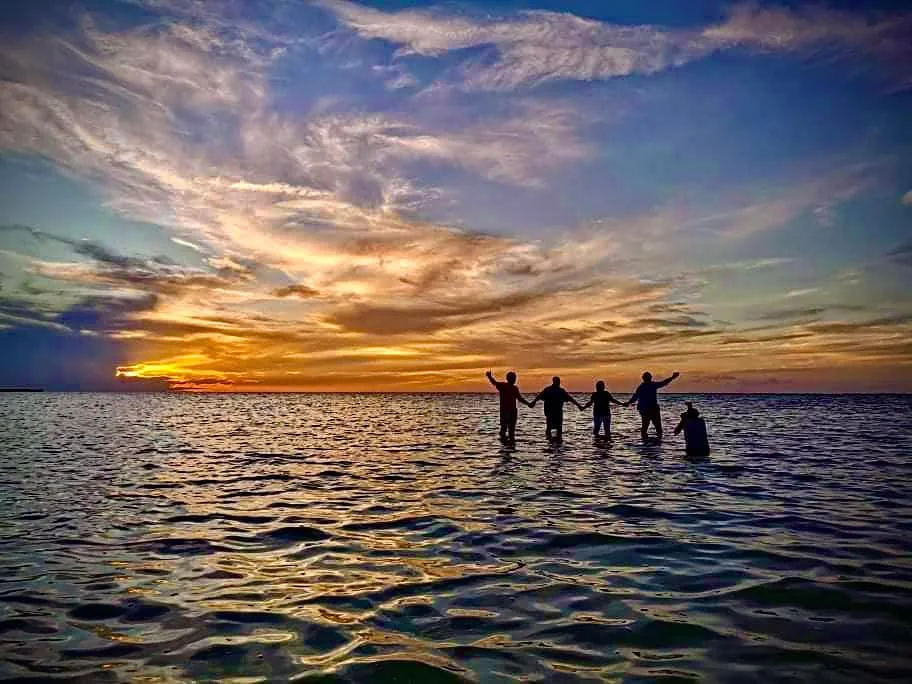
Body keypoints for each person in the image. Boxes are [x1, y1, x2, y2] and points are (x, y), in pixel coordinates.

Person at [626, 371, 680, 441]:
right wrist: (628, 402)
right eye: (649, 377)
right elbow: (635, 397)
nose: (650, 378)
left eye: (650, 377)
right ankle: (648, 442)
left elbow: (663, 383)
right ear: (644, 378)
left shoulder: (646, 386)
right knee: (649, 427)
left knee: (652, 427)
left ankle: (648, 442)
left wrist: (672, 377)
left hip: (650, 409)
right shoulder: (644, 386)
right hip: (647, 409)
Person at [530, 376, 584, 442]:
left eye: (558, 382)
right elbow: (539, 396)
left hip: (554, 412)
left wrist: (579, 405)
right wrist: (533, 402)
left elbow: (570, 398)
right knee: (553, 428)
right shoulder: (552, 390)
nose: (558, 383)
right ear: (555, 382)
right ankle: (554, 442)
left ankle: (552, 442)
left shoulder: (556, 390)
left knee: (554, 428)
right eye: (558, 382)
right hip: (552, 412)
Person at [486, 370, 532, 443]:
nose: (515, 379)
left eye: (515, 378)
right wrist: (489, 377)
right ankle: (505, 444)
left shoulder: (514, 388)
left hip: (512, 411)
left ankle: (509, 445)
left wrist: (528, 404)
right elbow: (494, 383)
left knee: (511, 430)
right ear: (509, 379)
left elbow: (519, 398)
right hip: (505, 411)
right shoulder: (503, 386)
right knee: (504, 429)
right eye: (513, 378)